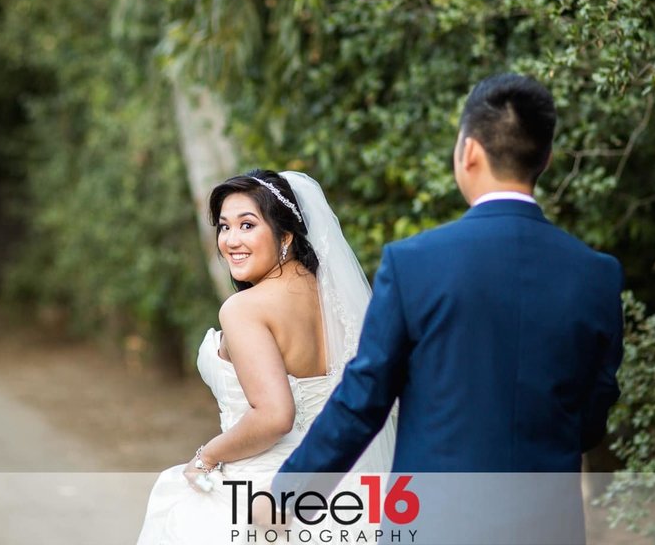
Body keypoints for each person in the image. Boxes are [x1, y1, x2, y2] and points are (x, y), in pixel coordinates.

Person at [275, 74, 625, 544]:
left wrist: (289, 493)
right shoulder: (596, 274)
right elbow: (590, 417)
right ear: (546, 158)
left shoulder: (414, 263)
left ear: (469, 152)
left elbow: (363, 401)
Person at [135, 169, 394, 544]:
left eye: (247, 225)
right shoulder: (336, 301)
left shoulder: (244, 309)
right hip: (345, 487)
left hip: (264, 488)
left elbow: (275, 416)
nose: (231, 241)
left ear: (285, 235)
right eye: (225, 227)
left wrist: (206, 457)